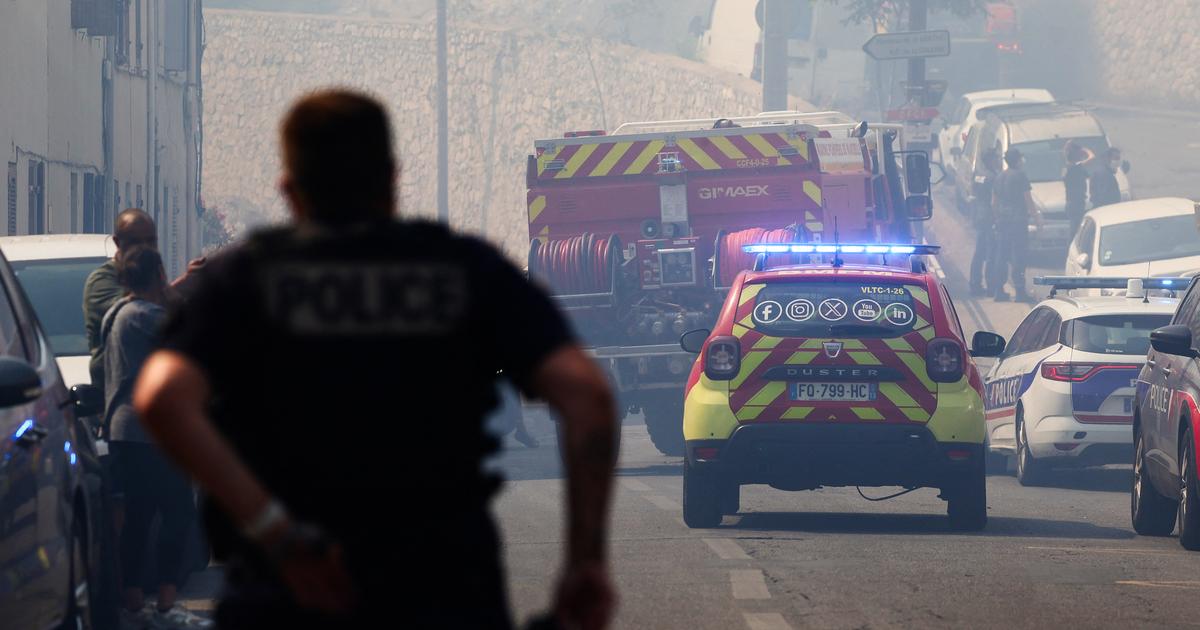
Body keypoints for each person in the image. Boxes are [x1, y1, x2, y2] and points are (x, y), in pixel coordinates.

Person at [133, 90, 619, 629]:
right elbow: (586, 396)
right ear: (392, 178)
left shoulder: (247, 283)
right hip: (444, 593)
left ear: (290, 190)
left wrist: (277, 532)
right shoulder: (463, 273)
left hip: (288, 598)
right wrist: (585, 561)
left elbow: (162, 398)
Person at [101, 245, 209, 629]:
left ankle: (134, 605)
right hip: (152, 434)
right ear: (158, 275)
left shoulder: (119, 313)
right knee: (177, 512)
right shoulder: (143, 316)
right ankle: (164, 605)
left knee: (139, 516)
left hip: (128, 433)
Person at [84, 209, 205, 393]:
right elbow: (136, 311)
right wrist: (182, 286)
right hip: (116, 393)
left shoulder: (156, 276)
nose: (144, 249)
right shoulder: (102, 280)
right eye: (135, 242)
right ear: (118, 243)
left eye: (150, 241)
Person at [990, 147, 1042, 303]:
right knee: (1019, 256)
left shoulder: (999, 177)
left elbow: (993, 203)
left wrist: (997, 218)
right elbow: (1028, 201)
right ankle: (1020, 291)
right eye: (1021, 158)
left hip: (1003, 222)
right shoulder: (1020, 176)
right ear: (1017, 160)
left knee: (1002, 255)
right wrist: (1037, 219)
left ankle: (998, 290)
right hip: (1018, 222)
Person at [969, 148, 1002, 297]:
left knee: (979, 252)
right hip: (989, 217)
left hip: (979, 215)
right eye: (996, 158)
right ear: (990, 160)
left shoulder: (978, 174)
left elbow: (973, 193)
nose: (998, 160)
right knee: (991, 253)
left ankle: (975, 283)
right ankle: (991, 286)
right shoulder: (993, 177)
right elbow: (995, 200)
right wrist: (997, 218)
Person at [1063, 140, 1095, 237]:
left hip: (1073, 202)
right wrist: (1084, 149)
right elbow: (1092, 157)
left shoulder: (1067, 167)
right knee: (1075, 230)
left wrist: (1069, 147)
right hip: (1075, 203)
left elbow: (1066, 153)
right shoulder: (1075, 167)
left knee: (1075, 228)